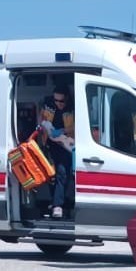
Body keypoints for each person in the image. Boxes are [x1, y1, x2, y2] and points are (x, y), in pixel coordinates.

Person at [41, 84, 75, 218]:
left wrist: (62, 131)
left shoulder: (72, 107)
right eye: (56, 100)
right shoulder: (49, 103)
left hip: (66, 144)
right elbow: (42, 115)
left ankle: (58, 205)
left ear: (66, 99)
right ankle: (55, 201)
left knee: (62, 173)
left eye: (61, 101)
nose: (58, 103)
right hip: (49, 143)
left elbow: (78, 124)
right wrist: (44, 126)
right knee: (50, 174)